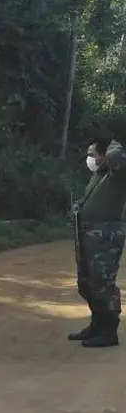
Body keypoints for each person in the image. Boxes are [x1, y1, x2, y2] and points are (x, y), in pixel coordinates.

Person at [69, 137, 126, 348]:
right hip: (88, 235)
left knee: (103, 284)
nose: (89, 159)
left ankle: (109, 332)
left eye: (93, 154)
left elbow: (118, 156)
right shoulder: (97, 176)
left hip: (106, 236)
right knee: (86, 283)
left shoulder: (117, 175)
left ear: (104, 156)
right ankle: (96, 325)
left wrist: (111, 144)